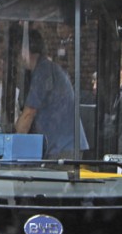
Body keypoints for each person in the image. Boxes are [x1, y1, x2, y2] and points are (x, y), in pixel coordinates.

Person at [15, 29, 86, 158]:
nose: (17, 58)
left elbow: (28, 114)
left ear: (25, 51)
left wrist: (13, 142)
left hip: (63, 147)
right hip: (66, 144)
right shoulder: (47, 68)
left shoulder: (43, 72)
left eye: (17, 53)